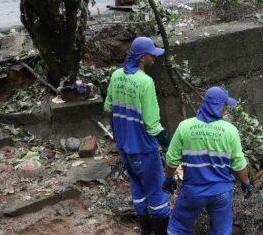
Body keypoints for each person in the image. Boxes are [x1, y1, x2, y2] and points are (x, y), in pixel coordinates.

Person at [105, 36, 173, 234]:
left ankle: (145, 230)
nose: (155, 58)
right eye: (152, 55)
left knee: (138, 189)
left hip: (124, 146)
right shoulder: (145, 82)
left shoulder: (116, 75)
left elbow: (108, 106)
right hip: (143, 148)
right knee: (157, 193)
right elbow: (152, 125)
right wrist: (169, 145)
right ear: (143, 57)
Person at [162, 86, 252, 235]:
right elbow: (238, 163)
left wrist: (168, 179)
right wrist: (246, 183)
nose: (226, 109)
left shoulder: (185, 127)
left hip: (193, 192)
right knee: (221, 231)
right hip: (221, 193)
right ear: (218, 106)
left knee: (178, 228)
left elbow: (171, 159)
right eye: (225, 105)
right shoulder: (230, 131)